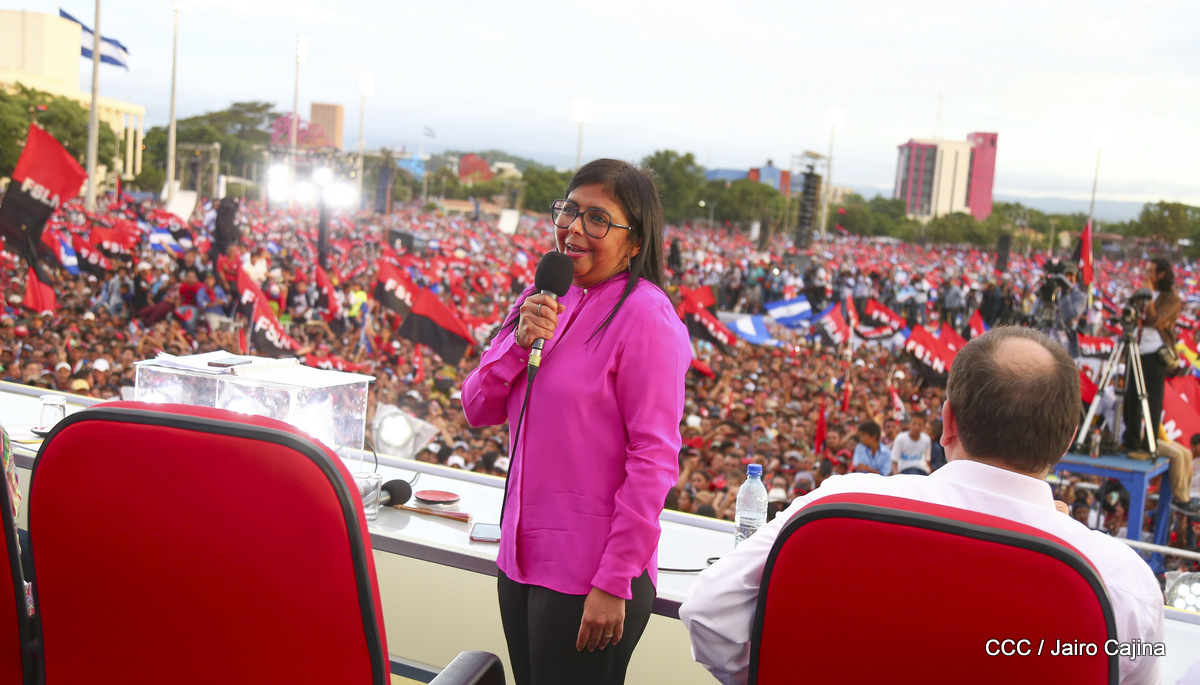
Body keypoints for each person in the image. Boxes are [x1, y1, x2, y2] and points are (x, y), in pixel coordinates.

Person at [679, 326, 1164, 685]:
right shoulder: (1120, 579)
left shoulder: (836, 503)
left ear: (947, 423)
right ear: (1067, 440)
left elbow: (707, 612)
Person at [460, 159, 691, 685]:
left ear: (635, 242)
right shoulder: (539, 297)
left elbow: (654, 459)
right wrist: (518, 345)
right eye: (569, 210)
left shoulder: (647, 317)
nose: (574, 228)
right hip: (519, 559)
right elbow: (476, 407)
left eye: (598, 218)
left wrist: (614, 580)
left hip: (592, 576)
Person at [1123, 258, 1180, 458]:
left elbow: (1154, 320)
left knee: (1151, 400)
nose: (1146, 275)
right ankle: (1130, 441)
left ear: (1161, 274)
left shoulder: (1172, 297)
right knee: (1131, 396)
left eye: (1150, 271)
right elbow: (1133, 316)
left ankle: (1148, 446)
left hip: (1155, 352)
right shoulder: (1142, 292)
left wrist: (1149, 299)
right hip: (1136, 348)